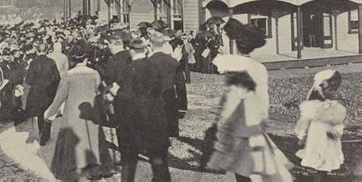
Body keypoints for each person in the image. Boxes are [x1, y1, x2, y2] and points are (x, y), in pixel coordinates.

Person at [207, 19, 292, 182]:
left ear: (237, 44)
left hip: (236, 122)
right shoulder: (258, 67)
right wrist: (262, 119)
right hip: (253, 122)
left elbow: (230, 98)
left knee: (240, 167)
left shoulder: (233, 64)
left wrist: (221, 123)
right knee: (252, 166)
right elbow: (263, 97)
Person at [43, 48, 114, 180]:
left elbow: (59, 97)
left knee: (71, 143)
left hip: (72, 114)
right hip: (91, 112)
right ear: (86, 59)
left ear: (73, 60)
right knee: (93, 139)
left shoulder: (68, 75)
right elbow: (100, 95)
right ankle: (95, 170)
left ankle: (71, 172)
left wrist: (49, 112)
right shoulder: (94, 73)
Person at [108, 38, 171, 182]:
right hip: (155, 119)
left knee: (129, 160)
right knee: (158, 159)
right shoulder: (154, 66)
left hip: (135, 121)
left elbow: (127, 96)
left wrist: (114, 92)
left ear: (131, 50)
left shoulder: (130, 69)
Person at [295, 69, 346, 182]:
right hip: (317, 137)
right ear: (320, 89)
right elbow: (305, 122)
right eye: (329, 89)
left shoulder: (336, 107)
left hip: (329, 138)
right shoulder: (313, 107)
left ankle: (321, 178)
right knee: (320, 162)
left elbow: (337, 122)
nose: (333, 92)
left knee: (326, 162)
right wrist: (302, 137)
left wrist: (337, 132)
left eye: (334, 90)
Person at [148, 32, 187, 138]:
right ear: (164, 44)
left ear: (151, 44)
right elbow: (181, 85)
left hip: (153, 100)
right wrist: (183, 106)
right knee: (170, 131)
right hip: (170, 98)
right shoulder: (173, 62)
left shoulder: (147, 62)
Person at [25, 43, 61, 145]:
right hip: (49, 92)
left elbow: (28, 80)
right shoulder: (51, 62)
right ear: (47, 50)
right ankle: (46, 133)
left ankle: (41, 132)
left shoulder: (33, 63)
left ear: (37, 50)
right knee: (49, 113)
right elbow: (57, 78)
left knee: (40, 113)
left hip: (36, 92)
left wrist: (36, 84)